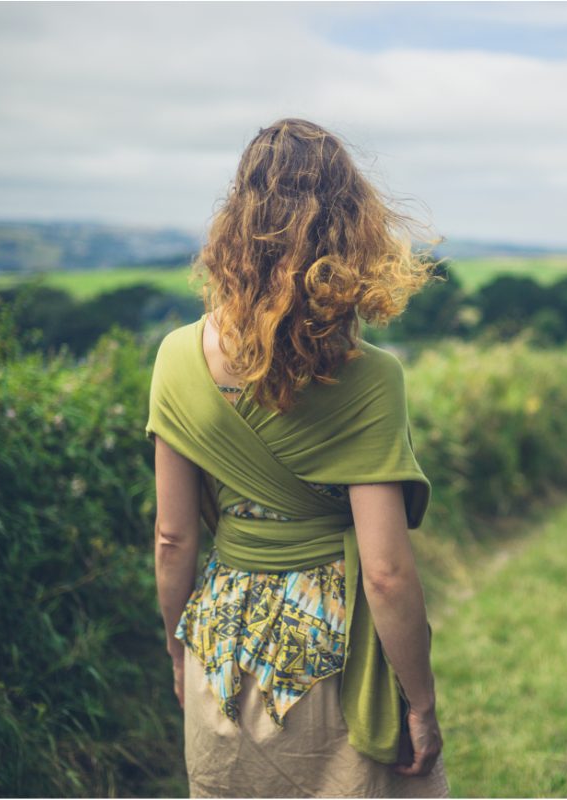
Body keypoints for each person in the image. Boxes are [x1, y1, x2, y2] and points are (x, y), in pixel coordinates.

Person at [145, 118, 449, 798]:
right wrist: (421, 702)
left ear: (236, 222)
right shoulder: (369, 378)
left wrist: (177, 647)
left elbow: (172, 538)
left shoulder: (174, 358)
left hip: (218, 652)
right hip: (334, 656)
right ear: (352, 231)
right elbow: (388, 573)